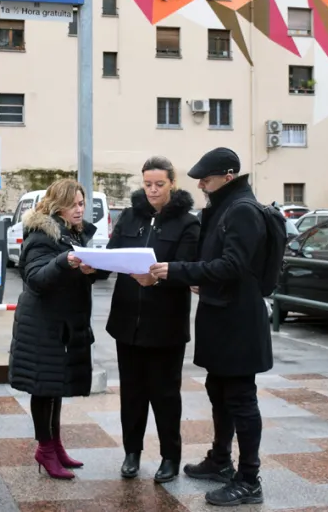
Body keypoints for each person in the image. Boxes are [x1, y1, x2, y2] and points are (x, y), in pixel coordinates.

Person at [149, 147, 272, 507]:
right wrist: (197, 275)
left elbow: (232, 265)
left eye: (207, 178)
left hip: (239, 321)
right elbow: (215, 262)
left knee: (241, 399)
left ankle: (249, 479)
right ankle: (221, 459)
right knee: (219, 391)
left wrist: (178, 270)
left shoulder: (243, 210)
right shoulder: (224, 208)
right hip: (221, 314)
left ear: (228, 176)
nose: (201, 184)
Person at [104, 156, 200, 483]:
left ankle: (170, 457)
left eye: (159, 184)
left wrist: (158, 278)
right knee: (131, 393)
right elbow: (113, 255)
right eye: (148, 184)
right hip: (126, 322)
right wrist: (91, 264)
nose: (153, 190)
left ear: (172, 183)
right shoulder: (131, 217)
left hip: (166, 326)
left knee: (165, 395)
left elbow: (188, 267)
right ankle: (132, 453)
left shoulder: (187, 223)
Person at [8, 178, 100, 480]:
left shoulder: (71, 234)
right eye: (74, 204)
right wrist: (66, 261)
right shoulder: (41, 235)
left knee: (55, 387)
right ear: (58, 205)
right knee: (44, 387)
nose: (80, 209)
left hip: (61, 324)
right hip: (42, 325)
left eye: (82, 203)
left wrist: (90, 268)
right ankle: (45, 449)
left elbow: (71, 275)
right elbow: (35, 277)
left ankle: (55, 444)